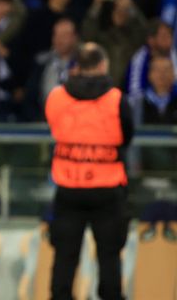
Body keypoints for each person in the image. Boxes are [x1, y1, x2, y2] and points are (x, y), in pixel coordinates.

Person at [45, 42, 133, 300]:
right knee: (109, 255)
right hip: (107, 188)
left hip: (68, 187)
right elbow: (126, 136)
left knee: (64, 255)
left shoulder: (56, 97)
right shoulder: (116, 99)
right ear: (103, 65)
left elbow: (53, 126)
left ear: (76, 67)